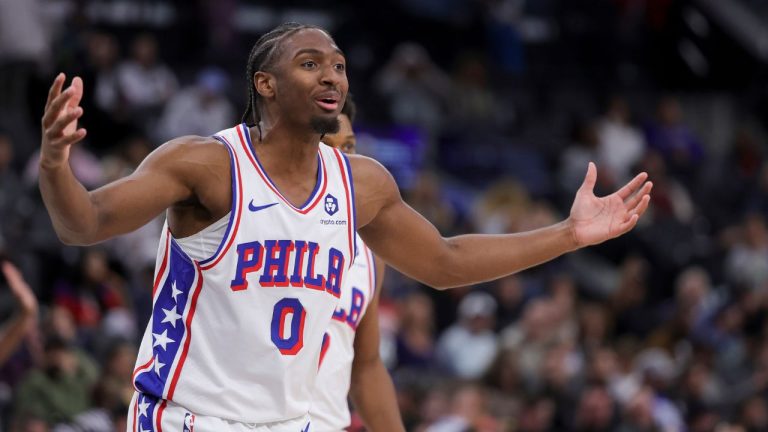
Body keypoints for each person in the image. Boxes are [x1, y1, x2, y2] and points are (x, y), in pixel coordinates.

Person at [38, 22, 652, 431]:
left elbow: (446, 261)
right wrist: (55, 163)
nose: (332, 75)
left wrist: (568, 235)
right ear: (266, 84)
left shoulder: (363, 186)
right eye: (311, 64)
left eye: (338, 65)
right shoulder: (207, 164)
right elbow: (84, 223)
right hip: (193, 418)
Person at [311, 97, 404, 431]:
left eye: (349, 147)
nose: (342, 160)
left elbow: (365, 367)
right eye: (326, 145)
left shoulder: (367, 251)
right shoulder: (247, 220)